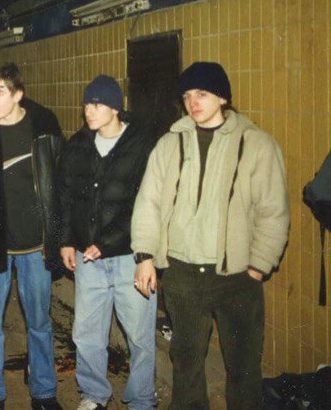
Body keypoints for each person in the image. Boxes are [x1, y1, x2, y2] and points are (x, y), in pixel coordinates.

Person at [131, 61, 290, 409]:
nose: (193, 102)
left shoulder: (257, 144)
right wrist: (145, 256)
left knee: (243, 368)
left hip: (236, 276)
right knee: (186, 363)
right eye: (187, 95)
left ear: (222, 97)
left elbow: (273, 211)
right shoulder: (169, 144)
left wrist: (257, 268)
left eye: (202, 94)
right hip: (183, 273)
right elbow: (148, 203)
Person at [0, 62, 63, 410]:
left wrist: (59, 234)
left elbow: (58, 182)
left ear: (18, 94)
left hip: (35, 244)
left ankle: (44, 391)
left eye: (0, 91)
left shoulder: (44, 124)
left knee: (39, 322)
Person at [57, 76, 157, 410]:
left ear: (115, 108)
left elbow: (145, 203)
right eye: (86, 104)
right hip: (90, 259)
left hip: (130, 255)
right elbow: (66, 197)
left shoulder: (141, 146)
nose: (89, 111)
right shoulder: (78, 146)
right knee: (86, 332)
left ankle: (142, 398)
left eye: (97, 104)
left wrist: (108, 240)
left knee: (140, 335)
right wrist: (67, 240)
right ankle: (94, 394)